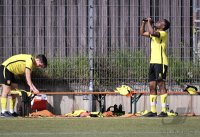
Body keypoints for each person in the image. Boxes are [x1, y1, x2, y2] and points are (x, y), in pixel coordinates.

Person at [140, 17, 170, 117]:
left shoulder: (162, 33)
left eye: (160, 22)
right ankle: (153, 111)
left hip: (161, 63)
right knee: (152, 86)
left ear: (163, 26)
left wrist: (149, 22)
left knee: (161, 85)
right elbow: (142, 33)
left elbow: (152, 33)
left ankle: (164, 111)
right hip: (152, 63)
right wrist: (144, 23)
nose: (157, 22)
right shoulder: (155, 33)